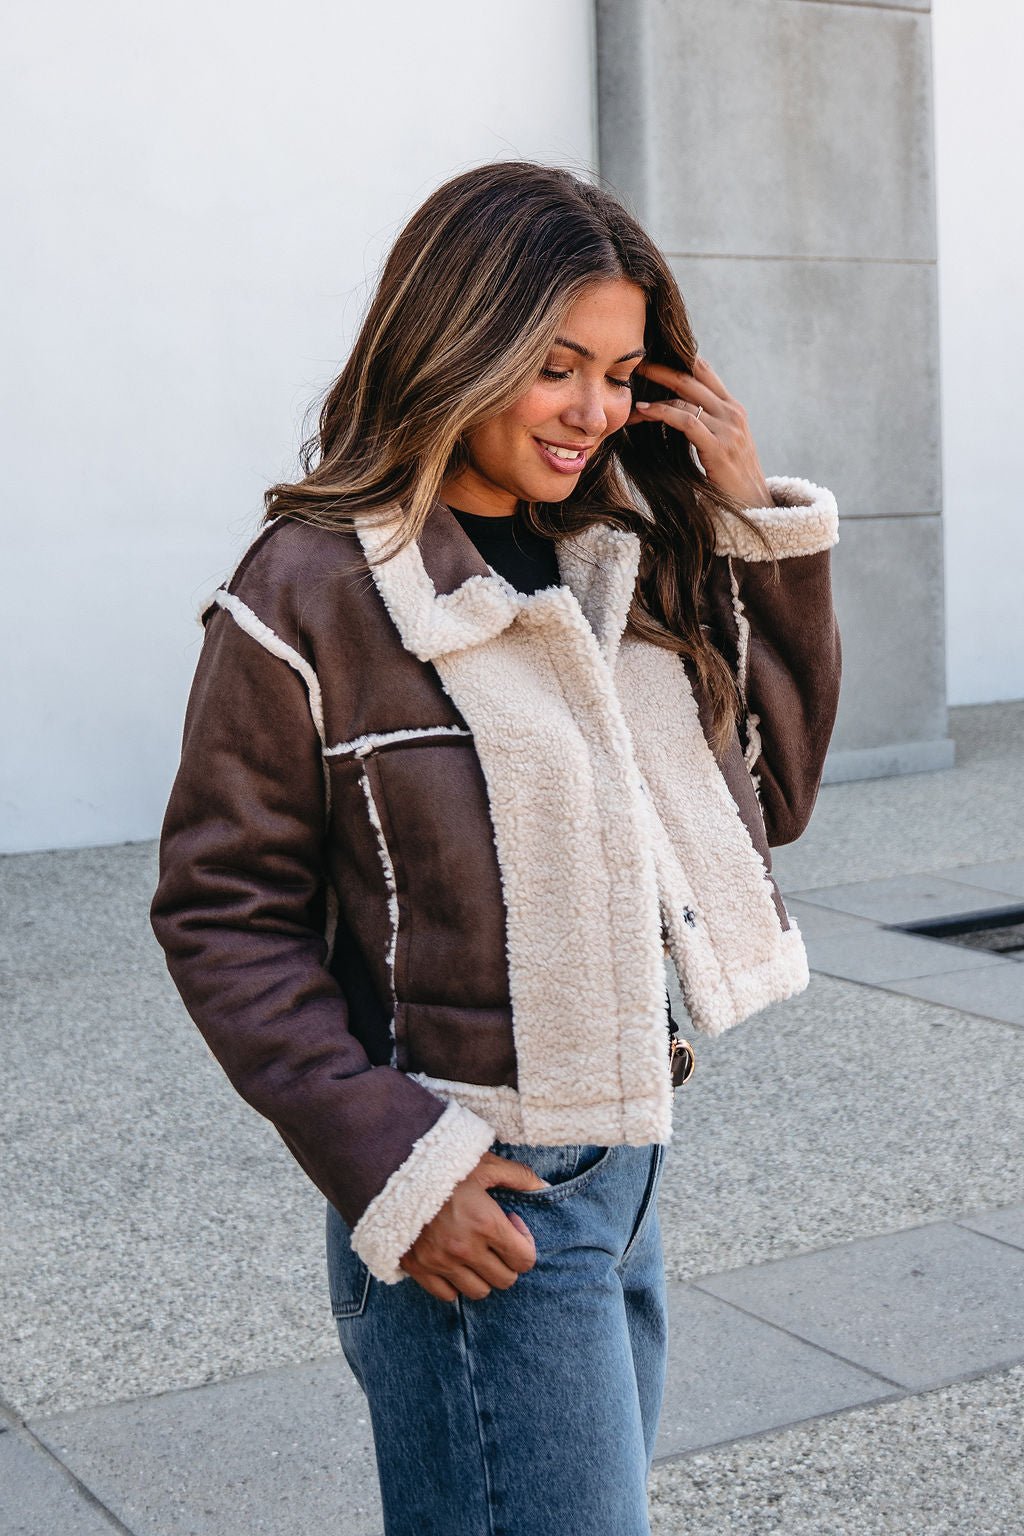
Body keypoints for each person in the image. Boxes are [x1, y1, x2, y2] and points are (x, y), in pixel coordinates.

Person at [150, 160, 841, 1536]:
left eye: (623, 375)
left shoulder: (614, 556)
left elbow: (767, 799)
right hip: (474, 1187)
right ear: (459, 341)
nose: (594, 412)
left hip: (625, 1172)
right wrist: (390, 1162)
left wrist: (753, 527)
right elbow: (222, 911)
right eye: (555, 367)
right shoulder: (315, 587)